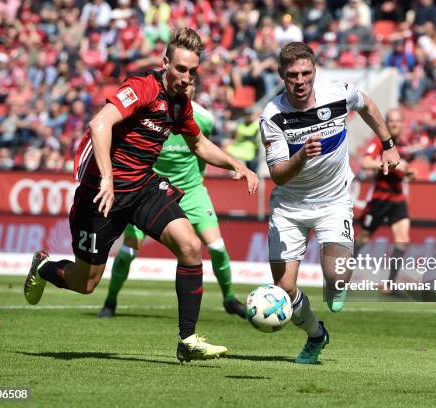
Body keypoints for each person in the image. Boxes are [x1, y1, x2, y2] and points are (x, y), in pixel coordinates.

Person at [23, 28, 258, 362]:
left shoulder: (180, 105)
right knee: (86, 282)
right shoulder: (142, 87)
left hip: (143, 188)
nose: (185, 77)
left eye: (192, 71)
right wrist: (106, 177)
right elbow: (99, 124)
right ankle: (45, 267)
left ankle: (187, 340)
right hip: (101, 195)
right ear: (165, 63)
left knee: (190, 246)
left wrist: (239, 165)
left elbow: (199, 144)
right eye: (180, 69)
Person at [259, 42, 400, 364]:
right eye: (292, 74)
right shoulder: (273, 116)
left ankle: (335, 285)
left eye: (305, 73)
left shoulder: (338, 93)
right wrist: (300, 156)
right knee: (284, 288)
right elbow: (278, 175)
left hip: (334, 201)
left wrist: (387, 144)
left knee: (337, 276)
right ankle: (315, 334)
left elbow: (366, 104)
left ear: (314, 72)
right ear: (281, 75)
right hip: (290, 208)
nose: (300, 80)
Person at [97, 82, 247, 319]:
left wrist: (201, 178)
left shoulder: (204, 119)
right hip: (151, 188)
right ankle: (110, 302)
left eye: (190, 84)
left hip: (192, 190)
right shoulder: (155, 113)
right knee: (127, 252)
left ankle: (229, 298)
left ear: (194, 90)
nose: (185, 88)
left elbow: (202, 147)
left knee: (217, 247)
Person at [355, 109, 415, 295]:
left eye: (398, 121)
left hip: (398, 198)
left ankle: (390, 284)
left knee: (402, 240)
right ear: (386, 123)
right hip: (379, 199)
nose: (395, 124)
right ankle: (339, 275)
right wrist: (388, 165)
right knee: (363, 239)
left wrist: (409, 172)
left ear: (403, 123)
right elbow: (365, 162)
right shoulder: (379, 141)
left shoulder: (405, 144)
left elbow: (406, 170)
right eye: (391, 121)